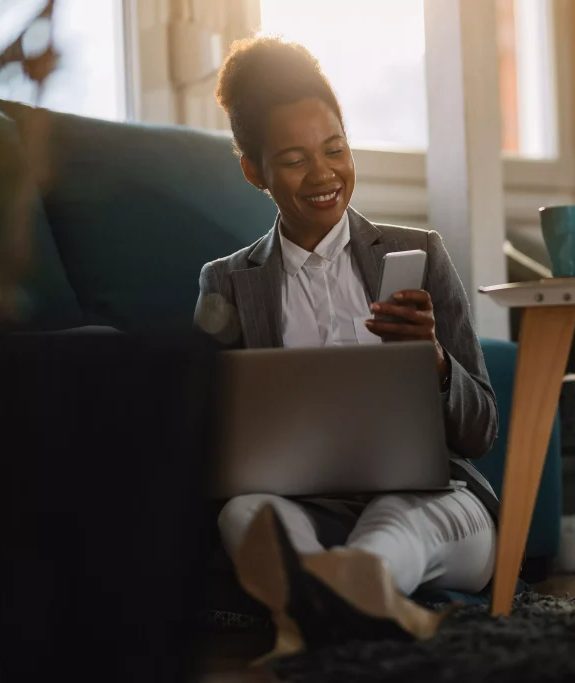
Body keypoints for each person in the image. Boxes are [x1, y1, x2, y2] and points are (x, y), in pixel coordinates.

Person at [194, 36, 500, 632]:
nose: (323, 173)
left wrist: (435, 363)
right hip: (304, 511)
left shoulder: (421, 255)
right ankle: (353, 604)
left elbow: (481, 430)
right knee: (243, 513)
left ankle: (325, 599)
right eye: (294, 158)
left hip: (434, 504)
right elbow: (211, 438)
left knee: (396, 520)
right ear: (254, 170)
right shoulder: (227, 283)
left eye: (335, 148)